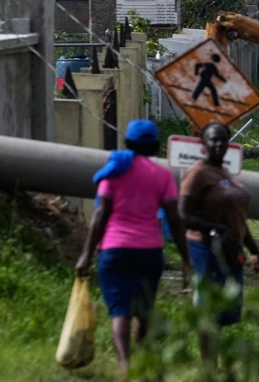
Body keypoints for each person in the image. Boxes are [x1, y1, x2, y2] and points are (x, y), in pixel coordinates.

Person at [75, 119, 191, 377]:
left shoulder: (113, 171)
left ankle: (126, 367)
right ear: (155, 146)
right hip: (149, 252)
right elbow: (175, 219)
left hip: (114, 250)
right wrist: (186, 258)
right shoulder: (162, 176)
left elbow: (100, 215)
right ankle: (140, 363)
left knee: (120, 311)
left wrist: (86, 254)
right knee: (143, 310)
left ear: (127, 143)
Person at [180, 121, 259, 359]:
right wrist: (217, 229)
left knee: (226, 308)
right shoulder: (198, 173)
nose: (218, 144)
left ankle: (214, 358)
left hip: (230, 248)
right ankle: (208, 364)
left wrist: (255, 251)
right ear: (203, 144)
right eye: (213, 139)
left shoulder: (224, 173)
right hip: (206, 248)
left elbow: (238, 219)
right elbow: (183, 216)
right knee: (209, 306)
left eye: (222, 139)